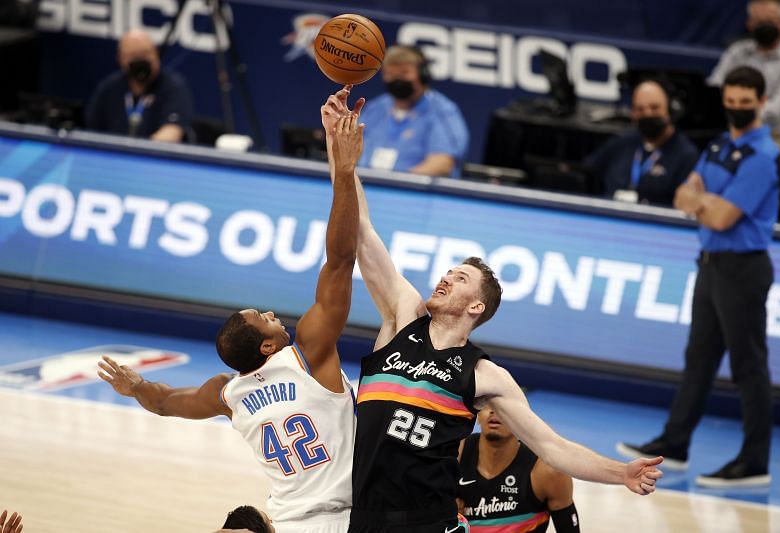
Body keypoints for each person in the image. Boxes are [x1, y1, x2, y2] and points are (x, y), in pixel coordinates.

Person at [321, 91, 663, 533]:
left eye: (459, 278)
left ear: (476, 307)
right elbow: (361, 230)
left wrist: (621, 473)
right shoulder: (402, 318)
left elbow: (551, 446)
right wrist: (338, 148)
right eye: (447, 272)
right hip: (364, 519)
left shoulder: (484, 375)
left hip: (429, 523)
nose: (444, 278)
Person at [97, 100, 364, 532]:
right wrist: (345, 171)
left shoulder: (229, 393)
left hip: (286, 523)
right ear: (267, 345)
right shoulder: (308, 358)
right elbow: (340, 259)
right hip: (347, 519)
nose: (275, 314)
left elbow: (164, 402)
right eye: (265, 318)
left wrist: (138, 386)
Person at [618, 66, 779, 488]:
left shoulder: (762, 156)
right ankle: (675, 444)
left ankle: (754, 460)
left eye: (746, 102)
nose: (738, 108)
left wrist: (701, 200)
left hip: (743, 268)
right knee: (699, 360)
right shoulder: (721, 142)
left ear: (761, 102)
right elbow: (681, 195)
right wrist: (704, 200)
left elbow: (724, 217)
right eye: (732, 101)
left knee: (749, 366)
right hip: (710, 264)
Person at [457, 408, 580, 533]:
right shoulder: (454, 454)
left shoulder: (548, 472)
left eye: (501, 405)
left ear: (520, 418)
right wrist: (443, 510)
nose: (494, 410)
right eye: (487, 404)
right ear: (478, 415)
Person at [707, 0, 780, 160]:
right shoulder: (737, 51)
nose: (764, 26)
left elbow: (778, 109)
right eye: (759, 22)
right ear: (749, 24)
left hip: (773, 138)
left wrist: (739, 111)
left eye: (770, 22)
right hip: (730, 130)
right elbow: (715, 85)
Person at [358, 45, 469, 178]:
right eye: (390, 74)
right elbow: (351, 150)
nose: (397, 80)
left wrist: (398, 183)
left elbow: (442, 163)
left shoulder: (442, 111)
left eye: (404, 73)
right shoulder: (375, 107)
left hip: (414, 193)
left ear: (423, 75)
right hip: (364, 186)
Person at [584, 79, 699, 206]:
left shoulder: (686, 155)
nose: (647, 114)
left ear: (669, 110)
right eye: (640, 109)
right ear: (633, 113)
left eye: (654, 108)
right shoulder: (620, 143)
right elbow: (586, 174)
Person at [85, 29, 193, 143]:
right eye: (133, 56)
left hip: (152, 158)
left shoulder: (174, 87)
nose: (140, 61)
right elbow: (91, 133)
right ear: (120, 58)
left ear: (155, 53)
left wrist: (134, 153)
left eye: (145, 54)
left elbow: (171, 134)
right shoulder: (109, 88)